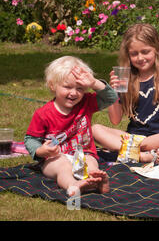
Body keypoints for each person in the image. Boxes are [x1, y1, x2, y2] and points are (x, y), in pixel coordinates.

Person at [92, 23, 159, 163]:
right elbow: (116, 120)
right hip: (133, 137)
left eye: (145, 52)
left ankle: (129, 151)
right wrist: (112, 92)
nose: (140, 58)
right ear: (128, 54)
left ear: (157, 49)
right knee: (95, 129)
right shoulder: (125, 78)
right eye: (134, 54)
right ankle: (142, 155)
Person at [25, 56, 118, 195]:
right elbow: (31, 139)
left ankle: (97, 181)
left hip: (84, 153)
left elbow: (111, 98)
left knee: (91, 163)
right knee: (63, 167)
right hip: (55, 157)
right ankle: (73, 185)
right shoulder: (43, 114)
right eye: (67, 87)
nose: (73, 93)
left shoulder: (86, 103)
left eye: (80, 88)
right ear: (52, 85)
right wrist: (40, 151)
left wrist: (94, 83)